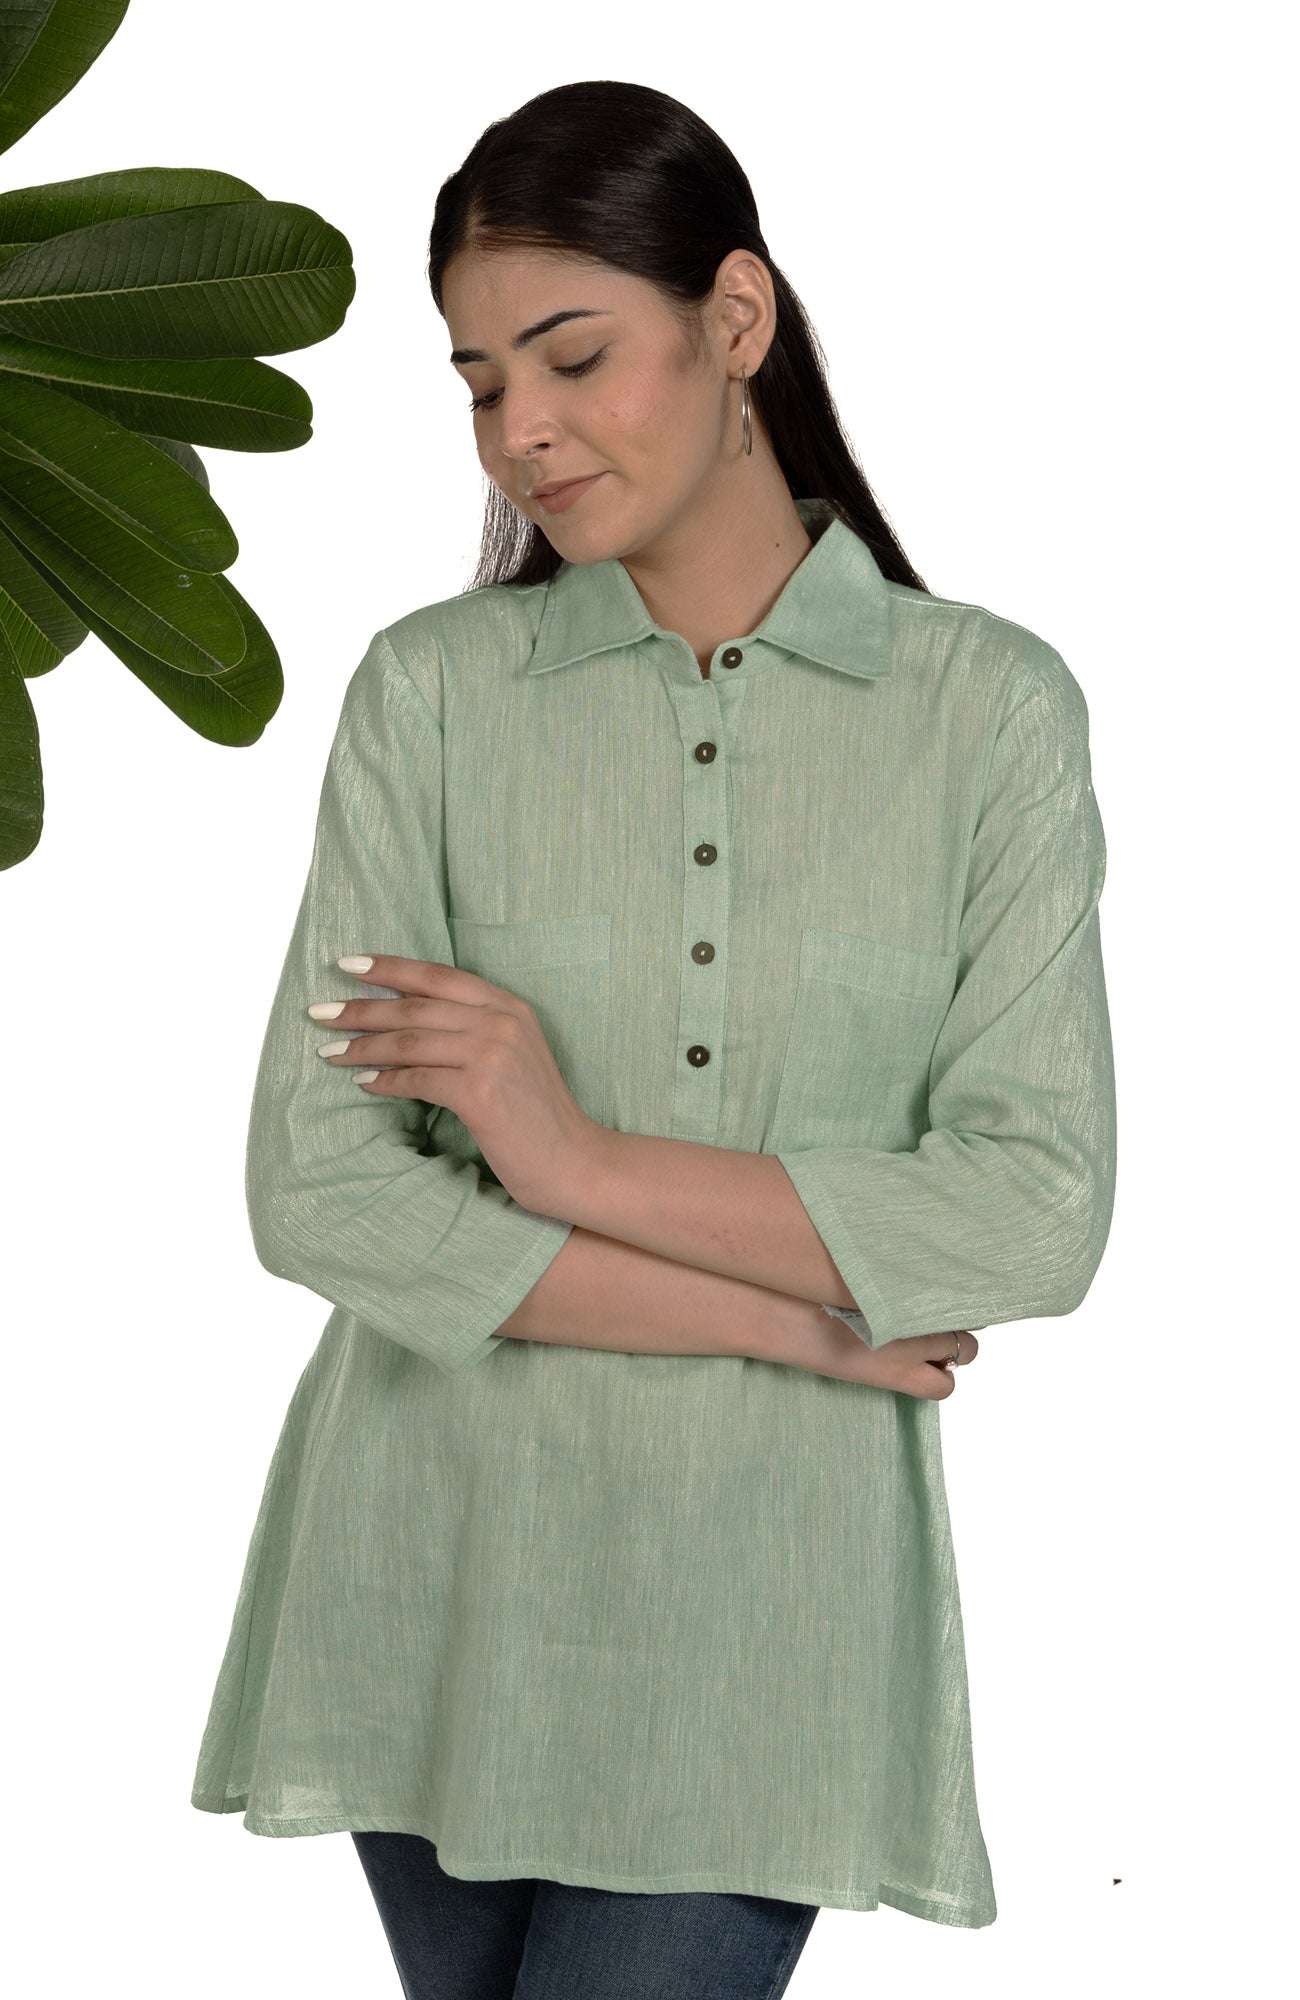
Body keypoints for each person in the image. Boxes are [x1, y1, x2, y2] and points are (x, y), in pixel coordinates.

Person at [190, 78, 1117, 1999]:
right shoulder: (434, 697)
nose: (517, 429)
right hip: (428, 1578)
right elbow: (321, 1193)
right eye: (476, 383)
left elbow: (1031, 1213)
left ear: (736, 319)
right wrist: (794, 1319)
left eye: (571, 355)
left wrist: (573, 1157)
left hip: (757, 1626)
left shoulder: (987, 716)